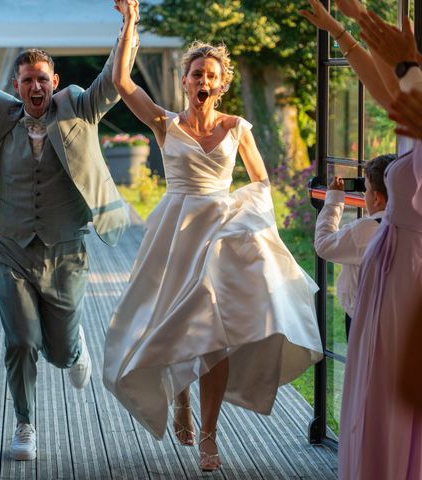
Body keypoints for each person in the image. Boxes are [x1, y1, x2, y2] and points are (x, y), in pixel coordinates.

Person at [103, 0, 323, 472]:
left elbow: (261, 182)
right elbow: (123, 84)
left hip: (220, 236)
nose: (203, 81)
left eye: (210, 75)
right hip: (175, 233)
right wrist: (130, 22)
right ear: (184, 81)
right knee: (176, 325)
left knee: (216, 336)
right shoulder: (165, 124)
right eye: (196, 73)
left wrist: (244, 220)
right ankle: (178, 398)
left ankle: (209, 435)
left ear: (221, 84)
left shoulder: (237, 128)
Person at [0, 0, 137, 461]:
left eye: (42, 79)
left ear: (53, 81)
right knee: (21, 341)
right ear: (16, 84)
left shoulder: (77, 108)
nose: (35, 86)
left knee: (60, 351)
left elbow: (112, 78)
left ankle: (74, 347)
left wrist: (129, 23)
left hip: (66, 250)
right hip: (10, 249)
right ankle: (25, 423)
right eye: (26, 79)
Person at [327, 9, 422, 479]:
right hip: (394, 263)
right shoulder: (416, 111)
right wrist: (346, 23)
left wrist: (406, 63)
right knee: (377, 387)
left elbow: (400, 84)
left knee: (394, 391)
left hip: (410, 272)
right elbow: (389, 91)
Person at [314, 154, 396, 340]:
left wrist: (334, 200)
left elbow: (323, 244)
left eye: (365, 189)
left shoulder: (367, 229)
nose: (363, 194)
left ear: (376, 198)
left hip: (364, 319)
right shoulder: (410, 225)